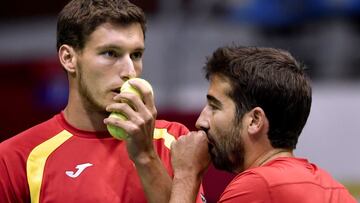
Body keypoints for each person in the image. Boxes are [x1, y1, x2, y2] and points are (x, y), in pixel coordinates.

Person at [0, 0, 205, 203]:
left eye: (136, 55)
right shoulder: (16, 158)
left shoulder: (175, 142)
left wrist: (146, 156)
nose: (129, 71)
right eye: (110, 53)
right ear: (68, 58)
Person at [168, 46, 357, 202]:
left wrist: (186, 173)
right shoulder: (331, 186)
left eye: (215, 107)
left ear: (255, 120)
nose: (201, 121)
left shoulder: (257, 185)